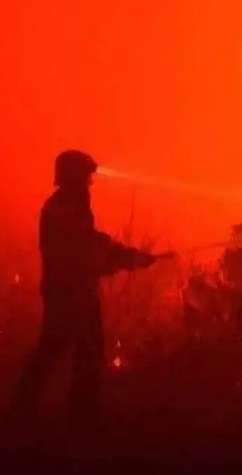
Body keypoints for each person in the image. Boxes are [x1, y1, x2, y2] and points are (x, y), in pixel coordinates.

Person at [13, 150, 165, 425]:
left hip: (67, 289)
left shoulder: (66, 205)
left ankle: (30, 407)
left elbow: (89, 241)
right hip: (71, 291)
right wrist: (124, 260)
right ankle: (78, 415)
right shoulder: (66, 207)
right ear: (73, 175)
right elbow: (80, 250)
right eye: (86, 175)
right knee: (82, 350)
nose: (90, 181)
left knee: (59, 347)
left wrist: (124, 255)